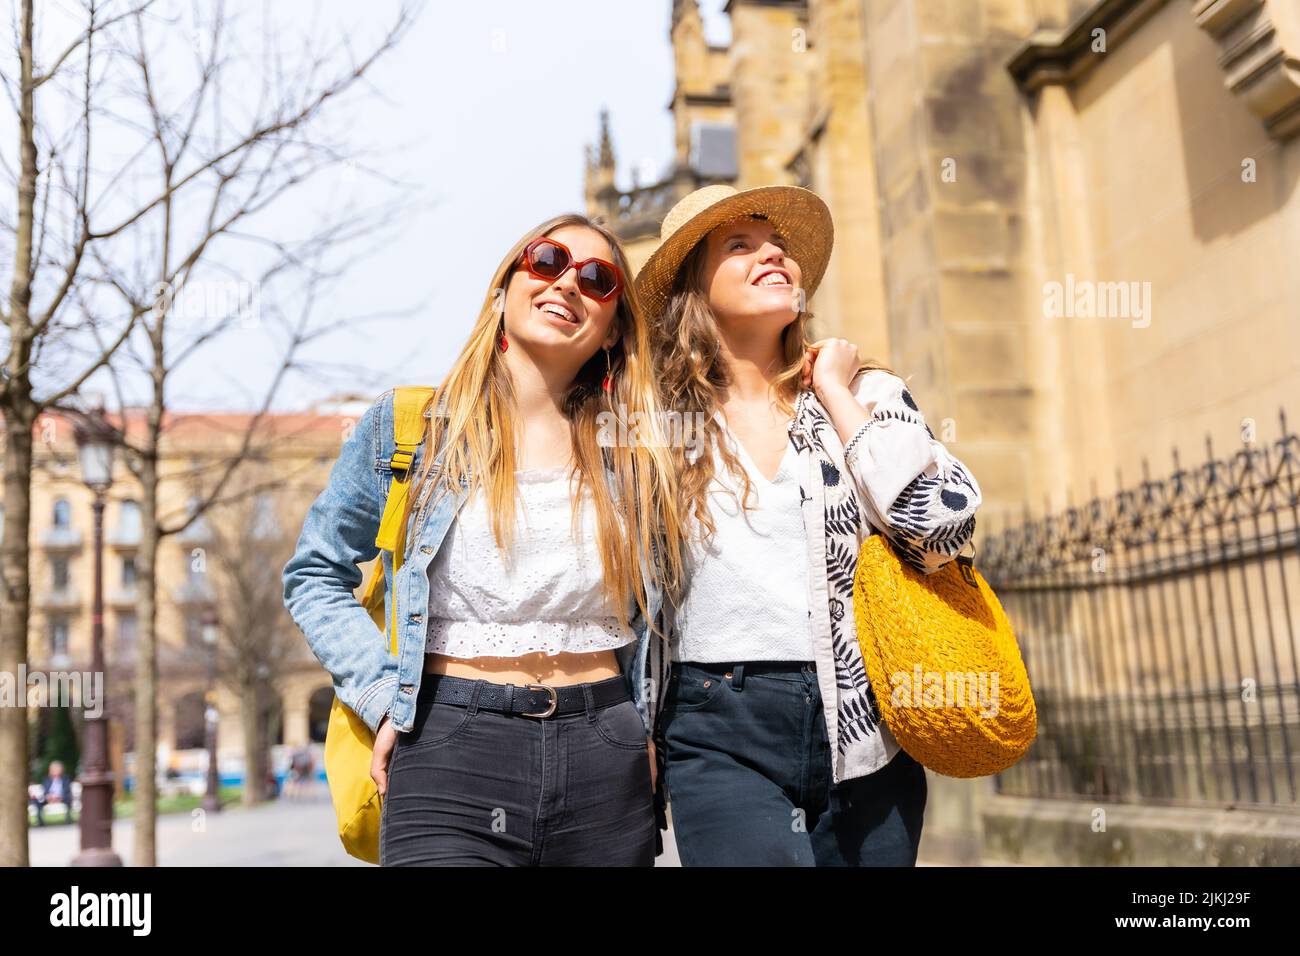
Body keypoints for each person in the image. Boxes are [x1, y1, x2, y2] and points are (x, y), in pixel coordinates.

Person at [283, 214, 683, 866]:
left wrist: (648, 731)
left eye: (597, 278)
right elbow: (314, 574)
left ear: (614, 331)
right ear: (505, 285)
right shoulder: (412, 429)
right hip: (448, 750)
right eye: (547, 260)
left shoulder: (636, 454)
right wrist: (382, 697)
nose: (567, 284)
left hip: (604, 756)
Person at [637, 184, 983, 866]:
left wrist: (835, 397)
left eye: (780, 246)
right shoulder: (654, 423)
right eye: (740, 245)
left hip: (865, 719)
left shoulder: (865, 393)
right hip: (714, 723)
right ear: (694, 290)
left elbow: (942, 529)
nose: (773, 254)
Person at [30, 760, 76, 826]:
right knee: (36, 801)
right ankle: (40, 821)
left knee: (68, 798)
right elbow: (45, 791)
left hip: (62, 798)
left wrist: (58, 796)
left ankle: (68, 819)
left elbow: (67, 790)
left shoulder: (65, 779)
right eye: (53, 769)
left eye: (57, 769)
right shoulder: (47, 779)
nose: (55, 770)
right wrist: (49, 796)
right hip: (49, 798)